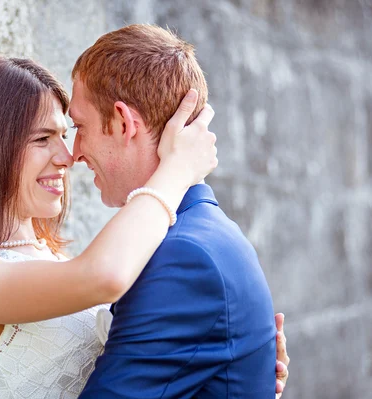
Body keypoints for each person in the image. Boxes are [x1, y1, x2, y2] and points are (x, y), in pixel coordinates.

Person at [0, 51, 288, 398]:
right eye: (42, 138)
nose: (67, 156)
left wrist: (229, 366)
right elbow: (104, 277)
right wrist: (176, 169)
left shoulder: (50, 259)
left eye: (64, 135)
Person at [69, 24, 286, 398]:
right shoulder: (196, 236)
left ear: (123, 123)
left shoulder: (185, 256)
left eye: (79, 126)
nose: (73, 152)